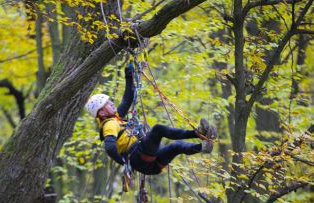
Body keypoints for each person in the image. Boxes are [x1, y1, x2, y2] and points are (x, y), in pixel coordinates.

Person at [85, 65, 217, 176]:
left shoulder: (116, 118)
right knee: (158, 129)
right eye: (108, 104)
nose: (112, 103)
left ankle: (203, 146)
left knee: (176, 146)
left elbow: (127, 99)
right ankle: (197, 133)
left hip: (150, 167)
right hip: (138, 156)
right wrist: (123, 163)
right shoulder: (109, 125)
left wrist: (129, 76)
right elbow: (109, 147)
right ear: (101, 112)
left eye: (110, 101)